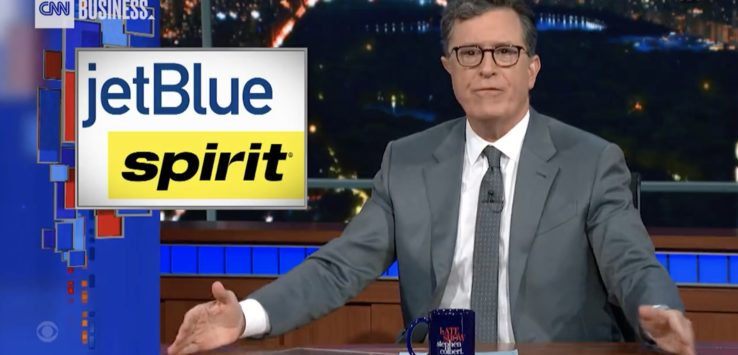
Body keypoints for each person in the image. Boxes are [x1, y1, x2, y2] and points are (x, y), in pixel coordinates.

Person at [168, 1, 695, 354]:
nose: (487, 67)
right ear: (450, 67)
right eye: (470, 53)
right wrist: (245, 318)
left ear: (531, 67)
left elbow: (631, 262)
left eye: (505, 52)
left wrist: (660, 312)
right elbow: (338, 268)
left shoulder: (592, 161)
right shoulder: (407, 160)